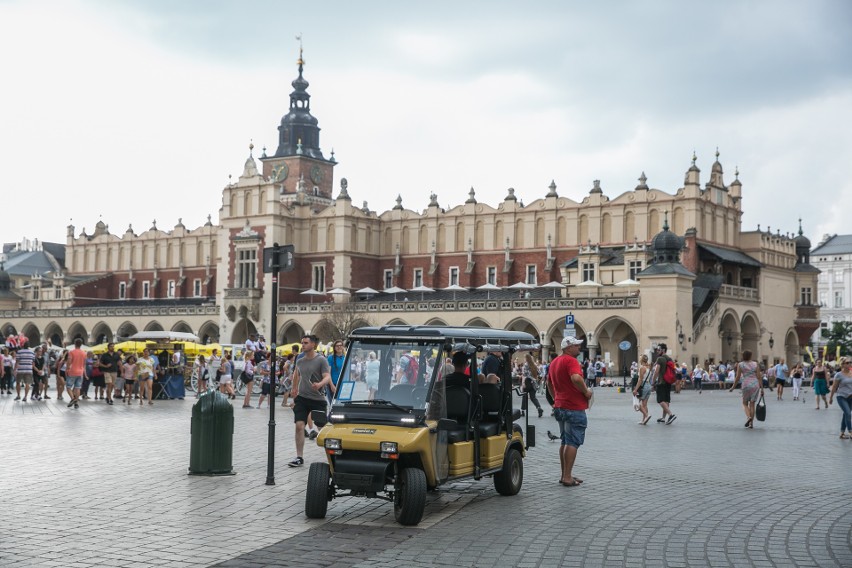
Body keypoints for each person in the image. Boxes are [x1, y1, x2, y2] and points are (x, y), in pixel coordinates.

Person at [547, 336, 592, 487]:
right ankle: (567, 477)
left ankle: (565, 474)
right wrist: (586, 392)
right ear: (568, 347)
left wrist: (556, 399)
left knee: (565, 441)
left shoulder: (554, 362)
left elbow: (548, 383)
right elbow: (576, 378)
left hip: (560, 406)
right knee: (572, 442)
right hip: (574, 406)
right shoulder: (571, 361)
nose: (579, 348)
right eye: (576, 346)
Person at [287, 334, 333, 467]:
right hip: (302, 398)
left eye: (306, 343)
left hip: (317, 399)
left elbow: (327, 376)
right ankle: (299, 457)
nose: (303, 345)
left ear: (313, 344)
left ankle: (331, 457)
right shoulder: (300, 360)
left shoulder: (321, 360)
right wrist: (294, 389)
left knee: (322, 428)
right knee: (299, 426)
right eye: (302, 343)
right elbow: (296, 374)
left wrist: (320, 384)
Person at [729, 349, 764, 428]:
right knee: (752, 404)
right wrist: (762, 389)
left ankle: (748, 417)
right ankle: (751, 424)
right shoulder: (755, 364)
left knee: (744, 403)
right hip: (755, 385)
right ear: (750, 356)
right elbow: (759, 377)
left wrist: (733, 387)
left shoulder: (740, 364)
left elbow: (737, 377)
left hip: (746, 385)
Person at [650, 343, 677, 425]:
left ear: (663, 350)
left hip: (661, 381)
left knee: (660, 400)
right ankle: (663, 418)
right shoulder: (669, 359)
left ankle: (671, 415)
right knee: (666, 400)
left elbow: (656, 371)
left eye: (658, 350)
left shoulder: (660, 359)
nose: (657, 351)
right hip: (668, 381)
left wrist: (653, 382)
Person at [829, 357, 852, 439]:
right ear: (843, 364)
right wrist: (831, 398)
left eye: (850, 362)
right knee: (848, 413)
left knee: (846, 414)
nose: (850, 364)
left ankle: (842, 433)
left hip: (851, 397)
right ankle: (850, 431)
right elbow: (834, 387)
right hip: (841, 396)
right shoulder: (838, 375)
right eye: (847, 362)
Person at [64, 339, 87, 409]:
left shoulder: (71, 352)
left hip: (72, 371)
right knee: (77, 388)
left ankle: (73, 399)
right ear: (81, 344)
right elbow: (84, 364)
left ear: (74, 343)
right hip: (80, 372)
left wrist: (67, 369)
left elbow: (69, 361)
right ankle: (76, 403)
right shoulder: (84, 353)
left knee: (68, 387)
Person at [632, 354, 652, 425]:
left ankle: (647, 415)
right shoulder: (648, 368)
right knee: (644, 404)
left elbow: (640, 380)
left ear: (641, 360)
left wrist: (635, 389)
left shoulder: (642, 368)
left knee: (637, 403)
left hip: (643, 386)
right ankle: (644, 420)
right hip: (648, 385)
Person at [523, 352, 544, 417]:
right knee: (533, 397)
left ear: (526, 358)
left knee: (524, 396)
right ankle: (539, 408)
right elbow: (540, 374)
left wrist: (523, 383)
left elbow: (525, 374)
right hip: (534, 383)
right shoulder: (535, 365)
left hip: (528, 382)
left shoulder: (526, 365)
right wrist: (536, 380)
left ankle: (523, 411)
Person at [326, 340, 346, 406]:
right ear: (334, 348)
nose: (339, 347)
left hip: (342, 385)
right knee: (333, 405)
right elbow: (328, 373)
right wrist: (331, 385)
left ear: (343, 347)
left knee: (341, 404)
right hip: (333, 384)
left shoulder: (345, 358)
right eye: (337, 346)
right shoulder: (330, 358)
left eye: (340, 345)